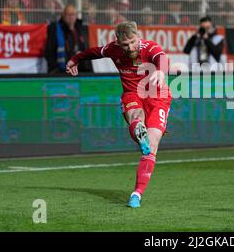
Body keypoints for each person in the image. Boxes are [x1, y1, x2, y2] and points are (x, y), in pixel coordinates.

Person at [65, 21, 172, 209]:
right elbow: (93, 52)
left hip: (158, 98)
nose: (129, 47)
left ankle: (137, 193)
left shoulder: (149, 47)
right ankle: (139, 132)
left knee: (153, 144)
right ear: (118, 42)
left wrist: (161, 73)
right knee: (135, 117)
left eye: (132, 42)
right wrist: (75, 59)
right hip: (132, 95)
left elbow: (161, 58)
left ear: (138, 36)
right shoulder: (113, 49)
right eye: (125, 44)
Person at [45, 4, 92, 73]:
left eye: (73, 14)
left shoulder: (81, 29)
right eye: (68, 15)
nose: (71, 17)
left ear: (76, 16)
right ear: (63, 15)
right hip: (61, 71)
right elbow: (49, 52)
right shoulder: (55, 29)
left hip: (80, 70)